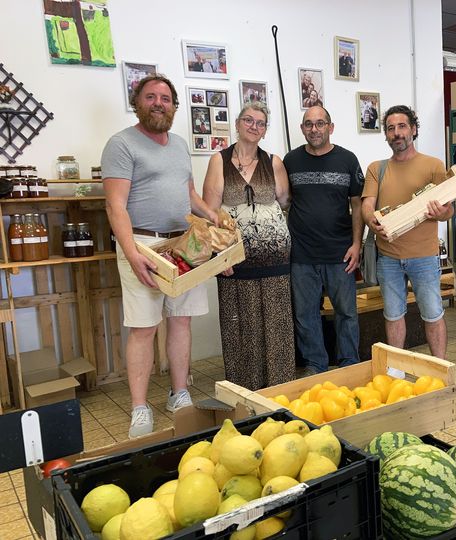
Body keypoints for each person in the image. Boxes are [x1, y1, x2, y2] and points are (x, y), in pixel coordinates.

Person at [101, 75, 218, 438]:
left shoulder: (181, 145)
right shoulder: (121, 144)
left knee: (181, 321)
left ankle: (179, 393)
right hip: (144, 245)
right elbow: (115, 206)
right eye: (150, 97)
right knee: (144, 327)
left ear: (174, 106)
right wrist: (132, 253)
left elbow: (190, 197)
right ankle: (139, 408)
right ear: (137, 102)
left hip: (183, 245)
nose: (158, 103)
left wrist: (214, 221)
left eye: (165, 98)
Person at [202, 102, 295, 390]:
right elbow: (209, 212)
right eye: (248, 120)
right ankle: (243, 391)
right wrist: (219, 256)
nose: (254, 126)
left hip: (275, 261)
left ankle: (280, 390)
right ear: (238, 124)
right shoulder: (219, 161)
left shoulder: (274, 162)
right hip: (235, 262)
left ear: (265, 129)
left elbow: (285, 203)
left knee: (277, 328)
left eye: (260, 123)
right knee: (240, 326)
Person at [361, 105, 453, 358]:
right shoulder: (376, 168)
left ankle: (439, 369)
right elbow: (367, 206)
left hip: (424, 256)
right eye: (391, 128)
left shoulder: (433, 165)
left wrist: (440, 213)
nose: (396, 133)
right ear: (386, 135)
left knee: (433, 313)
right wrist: (372, 221)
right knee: (392, 315)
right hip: (388, 257)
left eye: (402, 126)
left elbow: (449, 210)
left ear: (413, 129)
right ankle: (394, 372)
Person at [284, 106, 364, 374]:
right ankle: (314, 365)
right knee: (305, 315)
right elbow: (285, 201)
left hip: (340, 252)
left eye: (320, 124)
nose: (314, 129)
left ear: (330, 127)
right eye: (308, 124)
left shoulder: (348, 160)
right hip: (302, 254)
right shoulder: (290, 161)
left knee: (346, 313)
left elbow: (357, 204)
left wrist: (357, 245)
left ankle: (349, 364)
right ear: (302, 128)